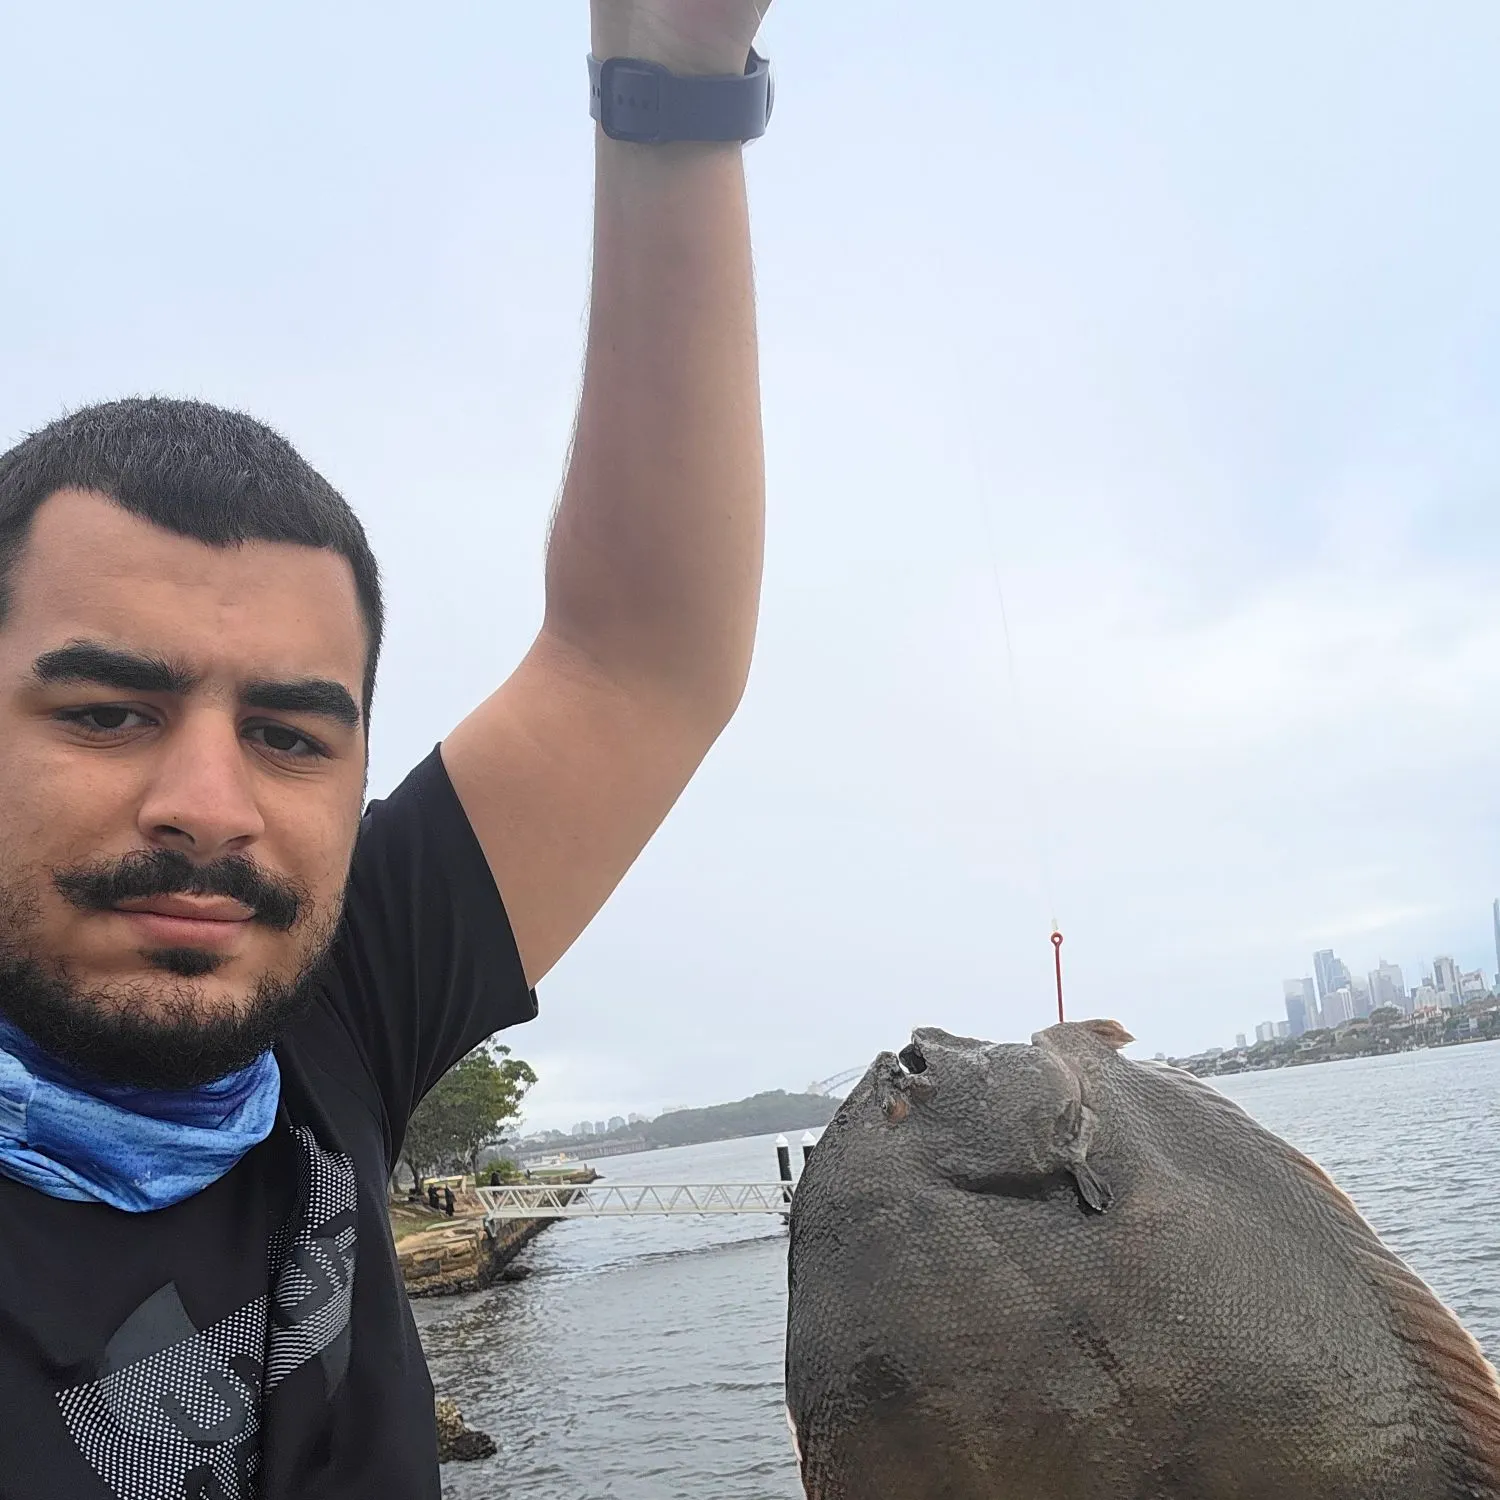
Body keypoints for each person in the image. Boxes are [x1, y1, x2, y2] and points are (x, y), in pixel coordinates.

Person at [0, 2, 773, 1495]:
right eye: (107, 713)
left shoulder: (320, 1016)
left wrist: (674, 76)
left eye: (290, 736)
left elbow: (644, 659)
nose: (210, 807)